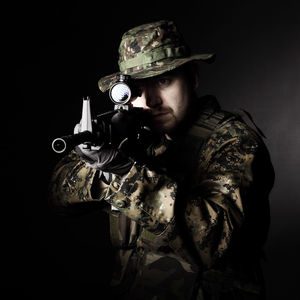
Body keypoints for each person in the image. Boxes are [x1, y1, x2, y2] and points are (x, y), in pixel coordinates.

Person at [49, 20, 275, 299]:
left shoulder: (233, 141)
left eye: (163, 81)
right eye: (137, 89)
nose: (150, 101)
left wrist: (122, 172)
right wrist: (102, 162)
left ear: (193, 77)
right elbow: (59, 197)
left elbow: (213, 242)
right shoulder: (135, 138)